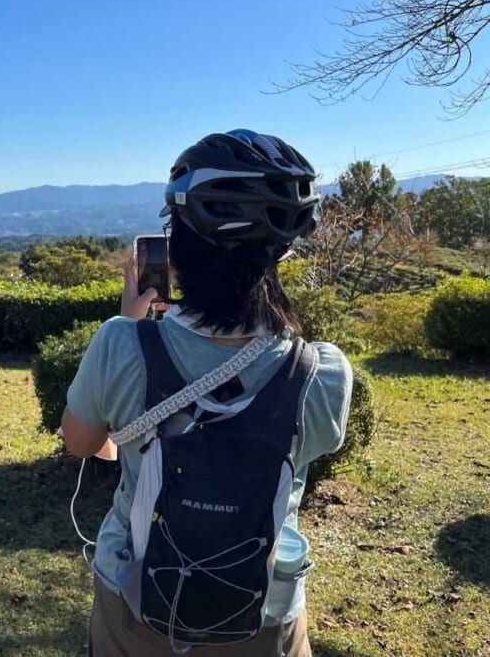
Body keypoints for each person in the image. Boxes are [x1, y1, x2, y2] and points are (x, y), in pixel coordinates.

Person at [62, 130, 353, 657]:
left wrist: (133, 324)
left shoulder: (122, 345)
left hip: (134, 605)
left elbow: (82, 444)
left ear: (179, 246)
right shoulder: (322, 372)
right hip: (266, 617)